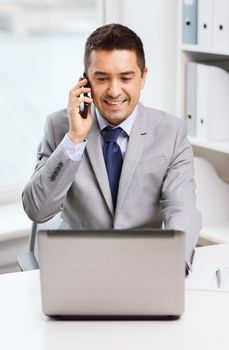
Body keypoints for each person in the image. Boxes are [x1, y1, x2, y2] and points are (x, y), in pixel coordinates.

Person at [22, 23, 201, 274]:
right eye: (102, 78)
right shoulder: (59, 126)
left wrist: (173, 264)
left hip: (144, 269)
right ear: (85, 80)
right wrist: (74, 139)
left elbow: (182, 208)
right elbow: (37, 210)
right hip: (76, 270)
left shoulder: (171, 132)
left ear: (143, 77)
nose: (114, 91)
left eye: (126, 78)